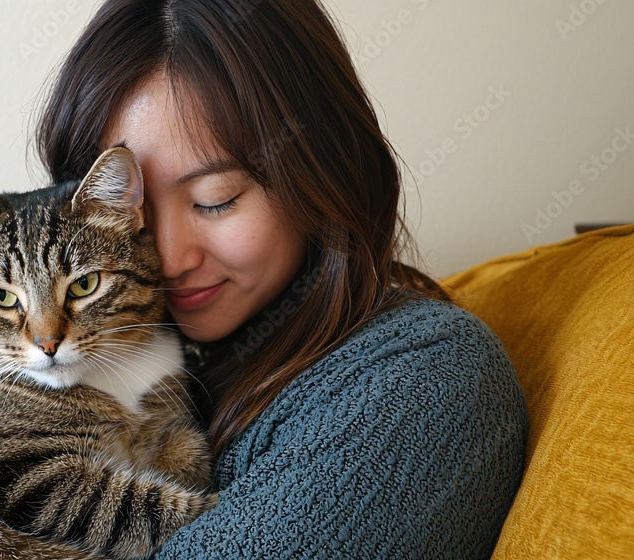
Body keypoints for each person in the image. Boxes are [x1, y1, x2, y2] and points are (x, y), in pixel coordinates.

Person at [35, 0, 528, 557]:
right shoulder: (93, 361)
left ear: (319, 171)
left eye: (215, 199)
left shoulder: (426, 378)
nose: (168, 260)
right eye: (129, 213)